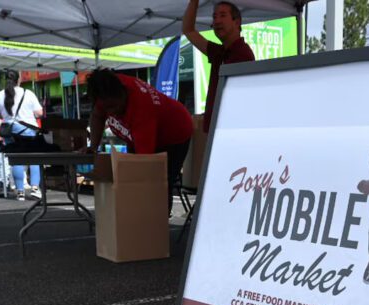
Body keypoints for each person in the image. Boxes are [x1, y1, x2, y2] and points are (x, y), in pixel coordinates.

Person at [86, 69, 193, 214]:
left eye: (113, 106)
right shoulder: (105, 88)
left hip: (175, 133)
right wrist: (92, 147)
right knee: (132, 181)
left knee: (159, 181)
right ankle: (135, 219)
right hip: (138, 135)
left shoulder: (142, 110)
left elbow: (144, 164)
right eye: (106, 108)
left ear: (123, 94)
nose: (111, 112)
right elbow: (97, 116)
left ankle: (157, 224)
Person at [182, 0, 255, 132]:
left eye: (222, 15)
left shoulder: (242, 54)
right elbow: (188, 30)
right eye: (214, 17)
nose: (217, 21)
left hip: (230, 131)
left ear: (237, 22)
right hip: (217, 131)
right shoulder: (220, 52)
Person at [0, 69, 44, 201]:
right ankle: (35, 188)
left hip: (9, 131)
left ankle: (20, 191)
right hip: (28, 130)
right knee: (34, 158)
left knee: (16, 161)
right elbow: (39, 113)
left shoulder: (0, 95)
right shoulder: (28, 93)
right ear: (18, 79)